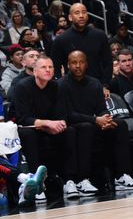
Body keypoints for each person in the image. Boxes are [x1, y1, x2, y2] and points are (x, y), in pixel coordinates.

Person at [58, 51, 133, 191]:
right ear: (68, 65)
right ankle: (82, 180)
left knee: (120, 124)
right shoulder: (61, 85)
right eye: (74, 62)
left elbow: (101, 108)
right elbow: (67, 114)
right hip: (74, 124)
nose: (78, 66)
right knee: (86, 127)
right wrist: (96, 119)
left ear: (86, 64)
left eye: (81, 62)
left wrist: (107, 118)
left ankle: (122, 176)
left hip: (93, 122)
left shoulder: (94, 83)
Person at [13, 56, 86, 199]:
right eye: (43, 67)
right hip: (30, 127)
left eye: (50, 67)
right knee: (28, 134)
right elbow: (23, 118)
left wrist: (60, 123)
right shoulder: (22, 87)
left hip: (49, 127)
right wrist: (47, 123)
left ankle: (69, 181)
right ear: (35, 71)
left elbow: (62, 114)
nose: (48, 70)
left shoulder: (57, 86)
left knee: (69, 131)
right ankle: (35, 183)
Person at [50, 3, 113, 94]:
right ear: (70, 17)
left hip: (97, 86)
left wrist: (105, 85)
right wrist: (61, 85)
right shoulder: (61, 39)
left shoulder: (100, 35)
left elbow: (108, 62)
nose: (81, 16)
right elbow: (55, 66)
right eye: (77, 13)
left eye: (84, 12)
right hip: (71, 89)